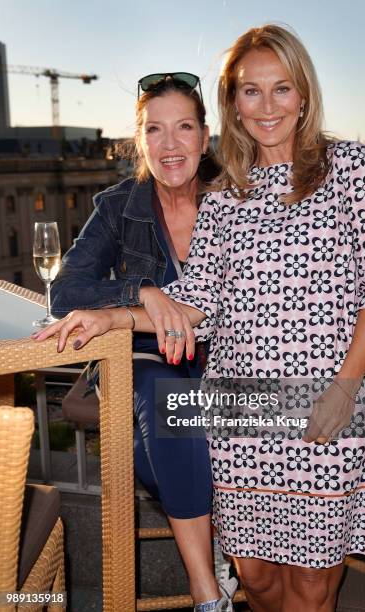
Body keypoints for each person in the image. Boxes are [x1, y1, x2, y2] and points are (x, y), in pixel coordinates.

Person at [34, 25, 365, 611]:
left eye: (281, 89)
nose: (266, 107)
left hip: (324, 395)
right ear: (233, 102)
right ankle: (214, 591)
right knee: (256, 578)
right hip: (239, 405)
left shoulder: (351, 168)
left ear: (303, 94)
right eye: (250, 92)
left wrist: (346, 388)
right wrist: (116, 318)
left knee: (312, 586)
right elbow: (198, 301)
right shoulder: (227, 192)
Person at [36, 73, 236, 612]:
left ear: (204, 136)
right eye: (155, 130)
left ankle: (220, 543)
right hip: (149, 362)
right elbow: (67, 290)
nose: (169, 145)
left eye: (184, 128)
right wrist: (142, 291)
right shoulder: (118, 204)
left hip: (230, 362)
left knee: (170, 440)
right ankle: (208, 592)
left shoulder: (240, 193)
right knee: (165, 400)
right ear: (140, 138)